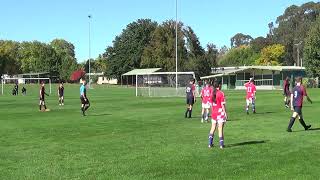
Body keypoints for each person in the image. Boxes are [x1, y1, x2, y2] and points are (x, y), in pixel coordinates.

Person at [208, 81, 227, 149]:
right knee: (220, 128)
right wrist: (225, 113)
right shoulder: (221, 93)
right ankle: (221, 145)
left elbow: (210, 105)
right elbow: (222, 104)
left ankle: (210, 144)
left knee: (213, 128)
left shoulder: (211, 93)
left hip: (214, 113)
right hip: (220, 113)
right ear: (219, 85)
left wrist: (212, 112)